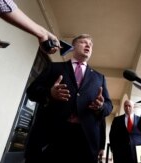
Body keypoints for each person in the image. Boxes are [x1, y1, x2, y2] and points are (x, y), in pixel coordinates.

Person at [25, 34, 113, 163]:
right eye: (83, 42)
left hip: (85, 141)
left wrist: (100, 106)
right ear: (73, 46)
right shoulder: (54, 67)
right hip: (51, 136)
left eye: (90, 44)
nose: (88, 45)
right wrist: (50, 93)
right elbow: (32, 91)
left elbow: (109, 106)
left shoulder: (99, 78)